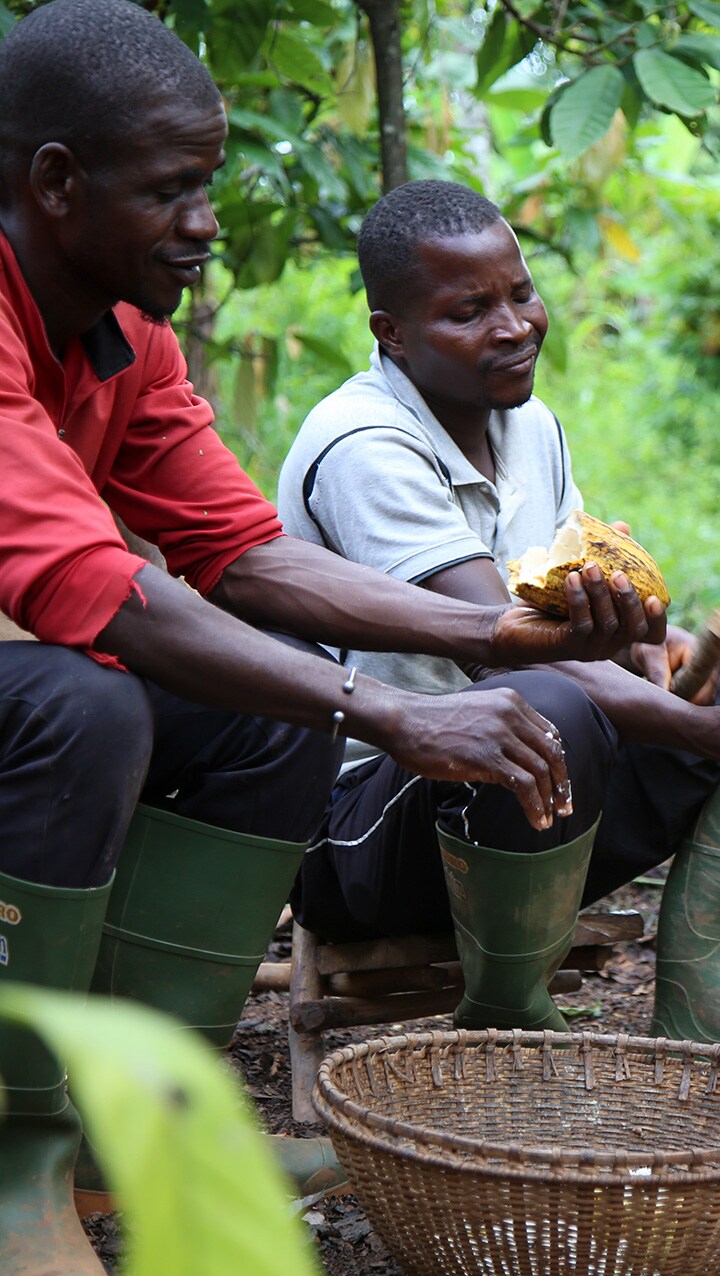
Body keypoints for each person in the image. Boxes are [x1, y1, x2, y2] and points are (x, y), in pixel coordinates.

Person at [0, 6, 669, 1272]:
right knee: (84, 702)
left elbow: (246, 557)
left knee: (275, 707)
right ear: (55, 181)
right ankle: (17, 1150)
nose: (206, 222)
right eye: (174, 191)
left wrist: (503, 633)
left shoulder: (124, 338)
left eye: (209, 183)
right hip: (39, 681)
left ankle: (134, 1125)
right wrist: (393, 710)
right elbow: (101, 592)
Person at [278, 178, 720, 1054]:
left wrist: (648, 644)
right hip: (358, 826)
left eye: (520, 293)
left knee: (595, 711)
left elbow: (567, 614)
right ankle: (508, 1022)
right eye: (469, 311)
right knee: (544, 708)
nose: (515, 325)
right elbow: (513, 653)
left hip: (519, 797)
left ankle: (690, 1046)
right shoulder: (366, 446)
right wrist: (696, 732)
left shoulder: (529, 423)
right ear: (391, 335)